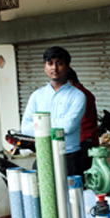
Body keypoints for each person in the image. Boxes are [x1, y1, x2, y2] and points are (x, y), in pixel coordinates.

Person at [20, 47, 87, 176]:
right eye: (50, 63)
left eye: (60, 63)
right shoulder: (37, 96)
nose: (54, 68)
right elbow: (25, 128)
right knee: (42, 195)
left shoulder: (78, 96)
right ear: (45, 67)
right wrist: (57, 125)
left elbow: (68, 127)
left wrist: (40, 125)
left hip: (69, 158)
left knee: (70, 196)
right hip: (43, 156)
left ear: (67, 67)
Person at [67, 68, 99, 172]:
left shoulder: (78, 96)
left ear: (70, 82)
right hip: (88, 141)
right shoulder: (86, 93)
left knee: (78, 179)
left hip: (82, 143)